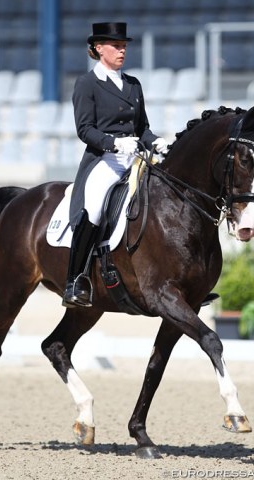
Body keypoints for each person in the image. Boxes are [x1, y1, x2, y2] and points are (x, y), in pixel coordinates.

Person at [62, 22, 169, 308]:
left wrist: (157, 142)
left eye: (124, 46)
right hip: (105, 160)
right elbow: (85, 129)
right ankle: (76, 280)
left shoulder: (133, 84)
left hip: (135, 157)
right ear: (98, 48)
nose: (122, 50)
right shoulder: (87, 84)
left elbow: (142, 128)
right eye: (116, 46)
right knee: (95, 207)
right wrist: (113, 143)